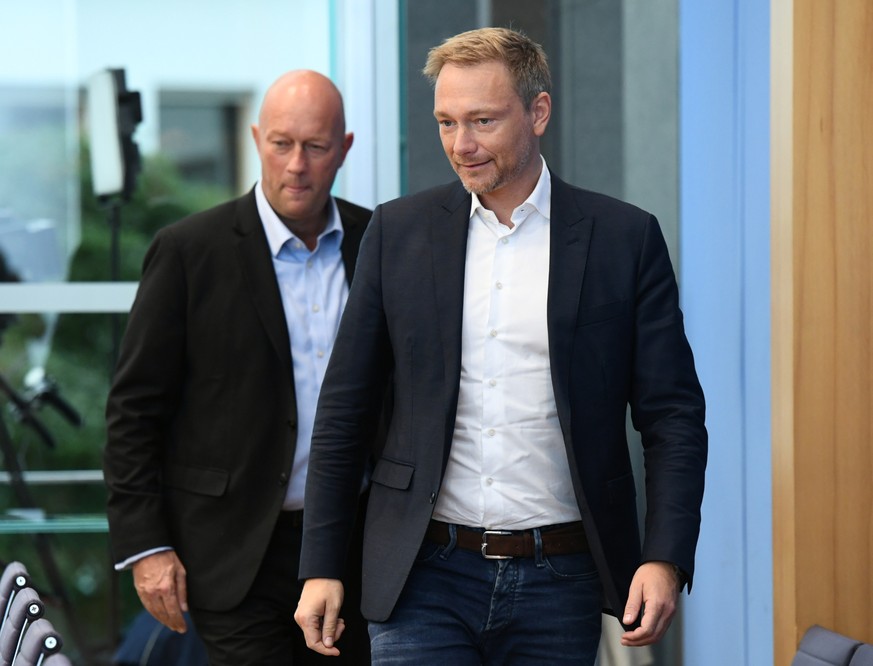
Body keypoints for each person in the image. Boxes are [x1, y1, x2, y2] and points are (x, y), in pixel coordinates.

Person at [295, 27, 707, 665]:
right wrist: (321, 565)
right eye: (446, 122)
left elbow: (673, 416)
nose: (462, 145)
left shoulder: (624, 239)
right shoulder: (396, 234)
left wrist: (665, 555)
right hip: (421, 575)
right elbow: (344, 410)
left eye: (483, 120)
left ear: (538, 113)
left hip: (561, 579)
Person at [104, 69, 373, 665]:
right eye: (281, 144)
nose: (296, 165)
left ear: (344, 148)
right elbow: (134, 411)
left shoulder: (378, 243)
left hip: (354, 549)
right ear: (256, 140)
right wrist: (146, 545)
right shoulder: (188, 252)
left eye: (316, 146)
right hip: (233, 552)